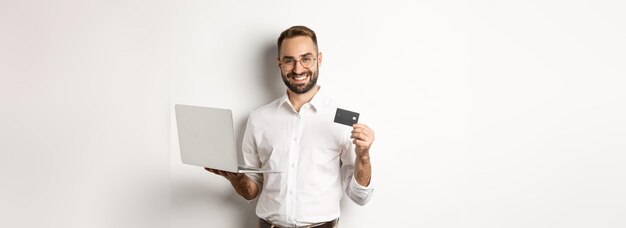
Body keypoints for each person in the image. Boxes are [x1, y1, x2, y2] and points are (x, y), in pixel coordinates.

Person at [205, 25, 375, 228]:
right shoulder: (259, 118)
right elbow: (251, 191)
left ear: (319, 59)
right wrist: (235, 178)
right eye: (289, 60)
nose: (298, 68)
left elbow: (360, 197)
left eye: (306, 58)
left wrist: (363, 156)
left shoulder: (344, 119)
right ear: (279, 63)